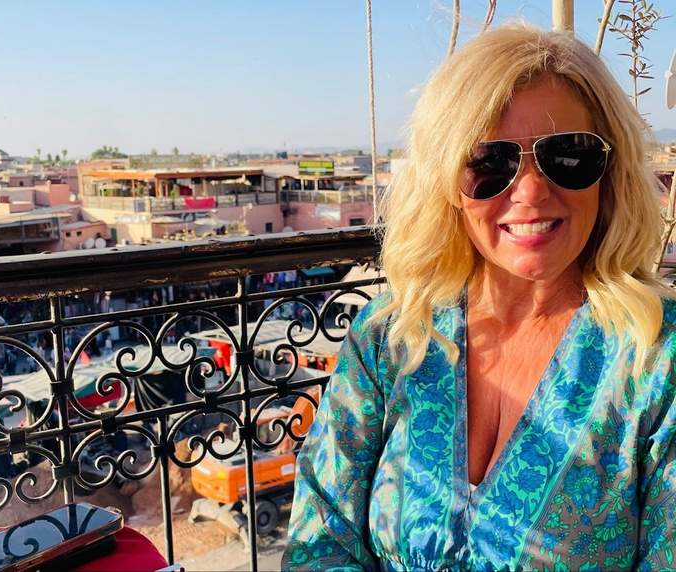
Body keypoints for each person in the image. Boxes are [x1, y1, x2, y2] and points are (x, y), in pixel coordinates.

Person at [283, 23, 676, 571]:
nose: (533, 191)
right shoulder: (391, 336)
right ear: (446, 182)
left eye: (568, 155)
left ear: (610, 175)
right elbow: (320, 537)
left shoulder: (657, 362)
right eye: (490, 162)